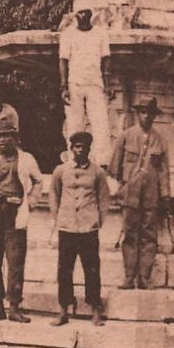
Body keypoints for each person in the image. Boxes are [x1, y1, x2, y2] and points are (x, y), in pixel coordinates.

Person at [0, 116, 43, 323]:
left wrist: (29, 202)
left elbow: (38, 181)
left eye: (6, 136)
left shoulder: (27, 159)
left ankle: (14, 306)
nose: (2, 140)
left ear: (15, 138)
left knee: (15, 262)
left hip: (15, 214)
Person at [48, 131, 110, 328]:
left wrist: (97, 221)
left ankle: (95, 310)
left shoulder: (98, 172)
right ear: (71, 148)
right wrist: (58, 218)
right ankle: (64, 310)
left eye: (84, 147)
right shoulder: (60, 171)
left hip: (88, 228)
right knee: (64, 270)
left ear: (89, 148)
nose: (80, 150)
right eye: (77, 146)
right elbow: (53, 195)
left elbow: (103, 199)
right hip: (67, 227)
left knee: (91, 269)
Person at [109, 97, 170, 290]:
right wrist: (124, 187)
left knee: (149, 236)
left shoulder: (159, 139)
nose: (146, 116)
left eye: (150, 113)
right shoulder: (126, 136)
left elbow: (163, 170)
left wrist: (165, 194)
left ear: (154, 115)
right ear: (137, 114)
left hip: (151, 195)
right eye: (143, 112)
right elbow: (114, 167)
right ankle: (129, 277)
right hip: (130, 195)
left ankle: (144, 277)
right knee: (129, 235)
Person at [59, 8, 112, 169]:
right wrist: (64, 86)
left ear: (91, 16)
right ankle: (72, 160)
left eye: (86, 14)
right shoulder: (68, 34)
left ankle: (102, 161)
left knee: (101, 122)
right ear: (75, 16)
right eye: (80, 14)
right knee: (74, 122)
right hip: (74, 83)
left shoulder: (100, 33)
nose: (83, 17)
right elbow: (63, 60)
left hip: (95, 83)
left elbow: (106, 59)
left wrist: (107, 83)